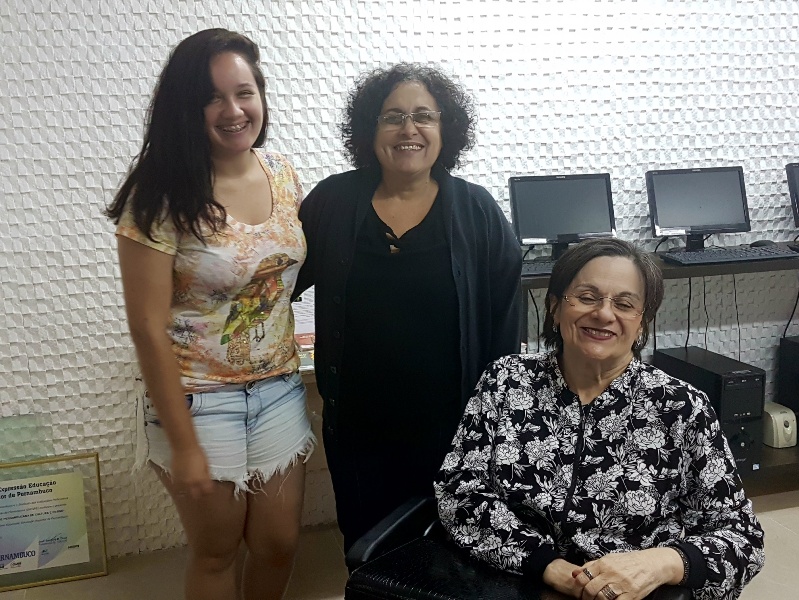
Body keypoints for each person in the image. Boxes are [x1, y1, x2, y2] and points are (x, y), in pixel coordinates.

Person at [435, 238, 764, 600]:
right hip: (510, 584)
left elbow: (742, 540)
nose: (604, 314)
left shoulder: (683, 407)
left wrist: (660, 564)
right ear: (555, 307)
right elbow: (459, 492)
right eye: (587, 297)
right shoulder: (505, 380)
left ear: (642, 323)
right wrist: (548, 566)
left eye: (624, 304)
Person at [106, 29, 314, 600]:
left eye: (244, 93)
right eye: (212, 98)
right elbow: (147, 326)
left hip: (277, 387)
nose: (233, 110)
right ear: (185, 108)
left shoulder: (282, 173)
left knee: (278, 543)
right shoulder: (159, 193)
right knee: (217, 551)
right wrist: (184, 445)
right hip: (197, 399)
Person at [294, 63, 522, 551]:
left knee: (454, 548)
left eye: (424, 116)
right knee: (368, 550)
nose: (408, 129)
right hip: (358, 428)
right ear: (369, 129)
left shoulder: (477, 210)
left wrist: (497, 423)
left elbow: (505, 325)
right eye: (392, 117)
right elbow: (278, 278)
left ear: (446, 128)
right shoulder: (333, 201)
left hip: (453, 428)